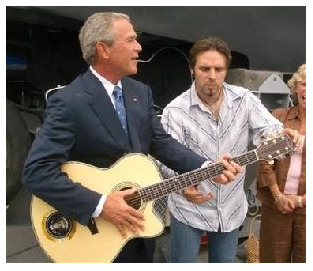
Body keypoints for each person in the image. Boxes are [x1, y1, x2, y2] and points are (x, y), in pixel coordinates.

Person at [22, 13, 240, 263]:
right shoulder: (70, 101)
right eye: (131, 40)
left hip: (138, 232)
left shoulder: (139, 92)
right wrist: (102, 204)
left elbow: (161, 143)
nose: (139, 47)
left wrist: (206, 166)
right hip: (95, 236)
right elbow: (37, 171)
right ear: (103, 49)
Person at [160, 37, 300, 263]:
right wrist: (184, 186)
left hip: (231, 207)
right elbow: (164, 159)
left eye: (219, 69)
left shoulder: (244, 99)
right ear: (192, 69)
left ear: (226, 70)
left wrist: (280, 135)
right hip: (189, 208)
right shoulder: (175, 111)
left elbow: (268, 128)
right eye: (205, 68)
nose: (212, 76)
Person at [257, 64, 306, 263]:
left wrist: (302, 200)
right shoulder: (279, 117)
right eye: (304, 84)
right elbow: (264, 158)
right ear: (295, 87)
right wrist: (277, 195)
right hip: (276, 206)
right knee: (273, 260)